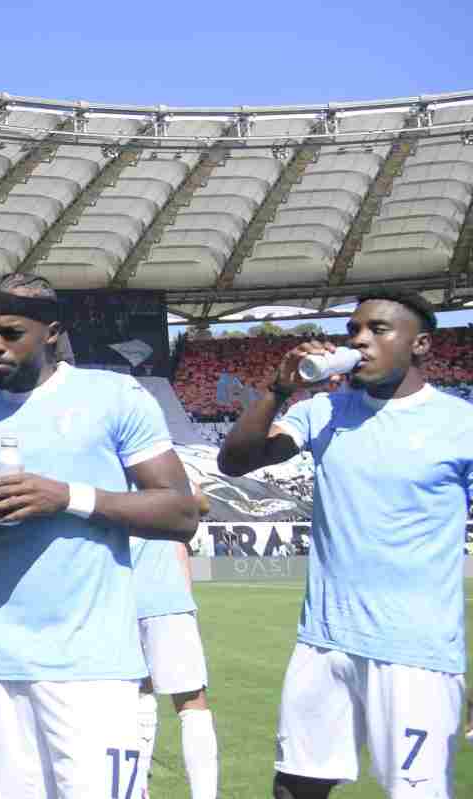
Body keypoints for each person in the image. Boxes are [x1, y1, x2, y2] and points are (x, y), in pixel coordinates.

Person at [0, 273, 200, 799]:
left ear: (50, 333)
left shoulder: (114, 396)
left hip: (93, 667)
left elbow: (180, 511)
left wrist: (67, 497)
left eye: (11, 333)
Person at [218, 290, 473, 799]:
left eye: (378, 329)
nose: (359, 340)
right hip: (324, 642)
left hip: (414, 653)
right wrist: (277, 389)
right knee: (294, 787)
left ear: (420, 344)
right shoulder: (324, 410)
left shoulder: (460, 425)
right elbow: (236, 462)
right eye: (354, 329)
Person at [131, 505, 217, 799]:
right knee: (191, 701)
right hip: (165, 597)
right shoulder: (162, 480)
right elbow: (199, 502)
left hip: (118, 598)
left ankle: (137, 788)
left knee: (140, 694)